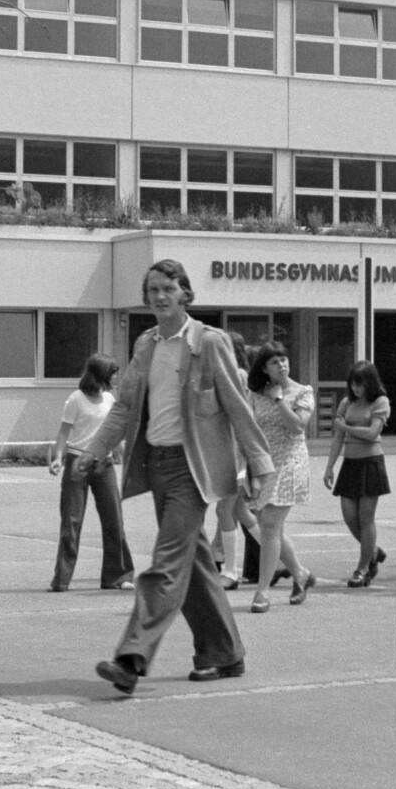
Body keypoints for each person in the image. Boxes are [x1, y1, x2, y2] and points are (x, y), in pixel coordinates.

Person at [83, 261, 273, 693]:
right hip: (159, 466)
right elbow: (126, 407)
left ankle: (131, 657)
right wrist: (93, 451)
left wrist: (259, 465)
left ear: (185, 293)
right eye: (152, 289)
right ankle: (224, 654)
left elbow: (238, 406)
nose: (159, 296)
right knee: (195, 564)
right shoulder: (146, 344)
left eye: (168, 288)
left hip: (194, 469)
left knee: (165, 564)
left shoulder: (208, 342)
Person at [48, 353, 135, 594]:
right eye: (112, 375)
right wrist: (57, 458)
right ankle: (62, 579)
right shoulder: (75, 399)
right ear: (101, 375)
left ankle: (117, 576)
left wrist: (123, 451)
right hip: (77, 461)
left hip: (103, 463)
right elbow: (64, 432)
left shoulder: (109, 398)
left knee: (114, 519)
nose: (115, 379)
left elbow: (112, 430)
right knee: (72, 520)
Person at [243, 342, 317, 612]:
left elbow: (298, 425)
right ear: (264, 368)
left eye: (284, 360)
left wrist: (278, 399)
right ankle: (300, 573)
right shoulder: (255, 394)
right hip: (265, 463)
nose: (282, 365)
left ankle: (262, 591)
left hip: (291, 461)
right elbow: (249, 428)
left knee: (271, 524)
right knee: (266, 524)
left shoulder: (302, 392)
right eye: (274, 362)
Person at [323, 362, 392, 584]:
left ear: (370, 383)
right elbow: (338, 438)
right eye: (353, 384)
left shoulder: (380, 402)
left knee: (366, 517)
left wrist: (347, 428)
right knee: (349, 517)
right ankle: (373, 550)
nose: (356, 389)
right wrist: (329, 466)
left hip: (371, 462)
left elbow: (372, 433)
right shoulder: (346, 403)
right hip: (350, 464)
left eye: (361, 384)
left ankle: (363, 568)